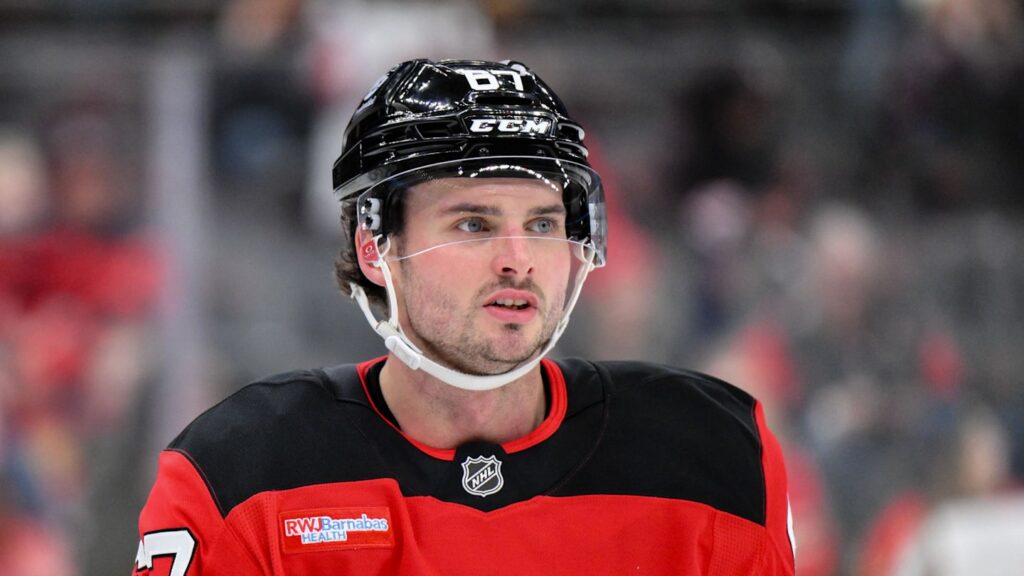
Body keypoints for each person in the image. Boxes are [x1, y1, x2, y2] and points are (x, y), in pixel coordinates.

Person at [131, 58, 795, 575]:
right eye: (474, 224)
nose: (518, 260)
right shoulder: (237, 477)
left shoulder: (714, 457)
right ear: (375, 245)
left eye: (542, 224)